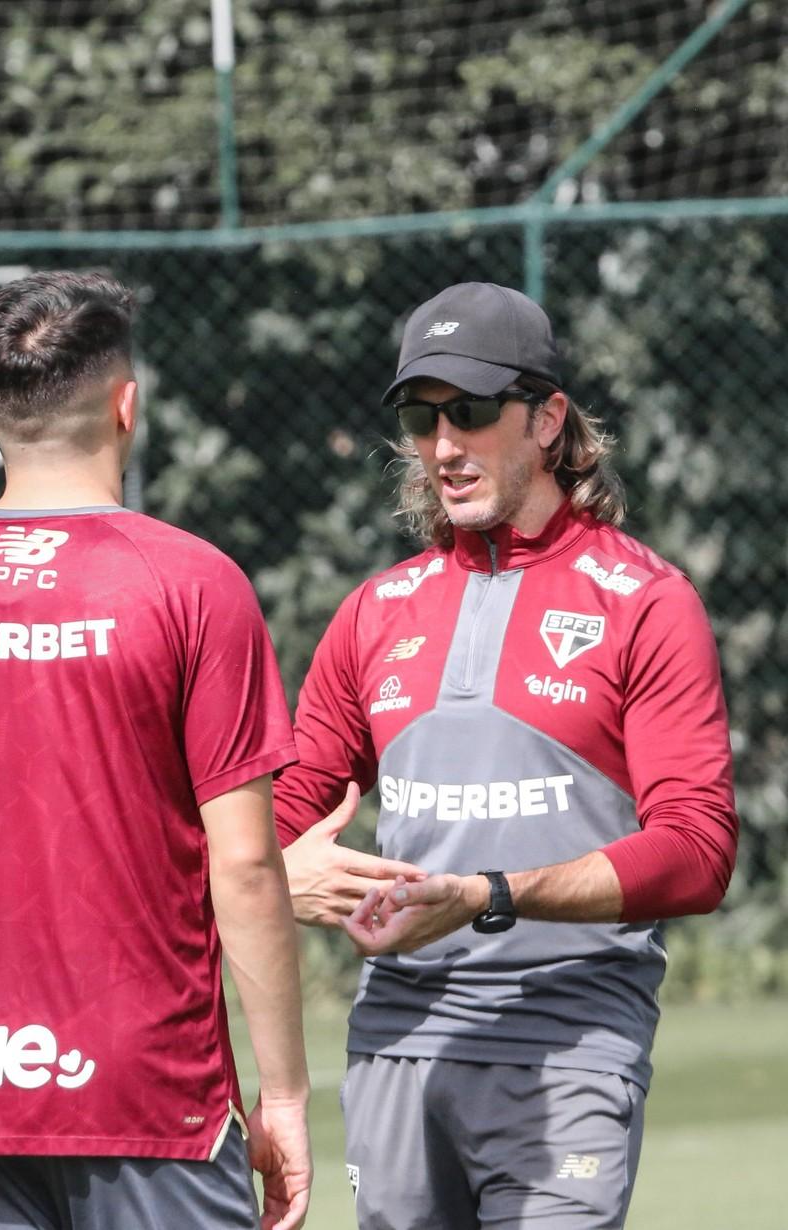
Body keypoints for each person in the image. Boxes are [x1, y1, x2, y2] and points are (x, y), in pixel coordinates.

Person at [0, 270, 312, 1230]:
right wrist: (283, 1094)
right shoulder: (194, 585)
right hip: (150, 1095)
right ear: (128, 406)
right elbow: (246, 864)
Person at [275, 281, 738, 1229]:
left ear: (549, 419)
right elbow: (282, 814)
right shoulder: (374, 612)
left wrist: (492, 894)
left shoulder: (647, 602)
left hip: (569, 1040)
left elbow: (698, 850)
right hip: (396, 1042)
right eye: (422, 417)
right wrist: (276, 870)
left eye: (473, 411)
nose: (445, 445)